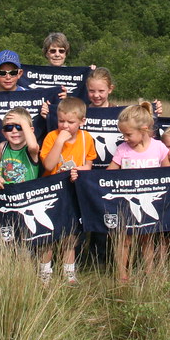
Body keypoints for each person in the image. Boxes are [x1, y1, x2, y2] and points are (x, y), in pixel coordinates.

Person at [108, 102, 169, 281]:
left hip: (150, 203)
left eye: (128, 134)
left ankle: (149, 273)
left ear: (144, 129)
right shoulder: (122, 150)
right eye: (123, 134)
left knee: (147, 239)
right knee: (124, 241)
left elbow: (169, 174)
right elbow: (109, 175)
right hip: (127, 204)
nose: (125, 138)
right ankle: (122, 274)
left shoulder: (159, 147)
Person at [39, 97, 97, 283]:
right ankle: (45, 273)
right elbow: (48, 164)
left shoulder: (86, 138)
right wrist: (59, 142)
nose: (65, 126)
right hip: (52, 191)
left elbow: (88, 164)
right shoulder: (52, 137)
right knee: (48, 234)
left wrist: (79, 171)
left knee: (70, 235)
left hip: (73, 191)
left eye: (71, 122)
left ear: (82, 121)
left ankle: (69, 273)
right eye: (61, 121)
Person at [0, 107, 40, 189]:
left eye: (19, 127)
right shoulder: (3, 147)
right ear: (4, 133)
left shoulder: (30, 150)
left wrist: (23, 122)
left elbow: (33, 146)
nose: (14, 131)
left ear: (30, 130)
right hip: (7, 194)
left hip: (27, 194)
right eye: (9, 128)